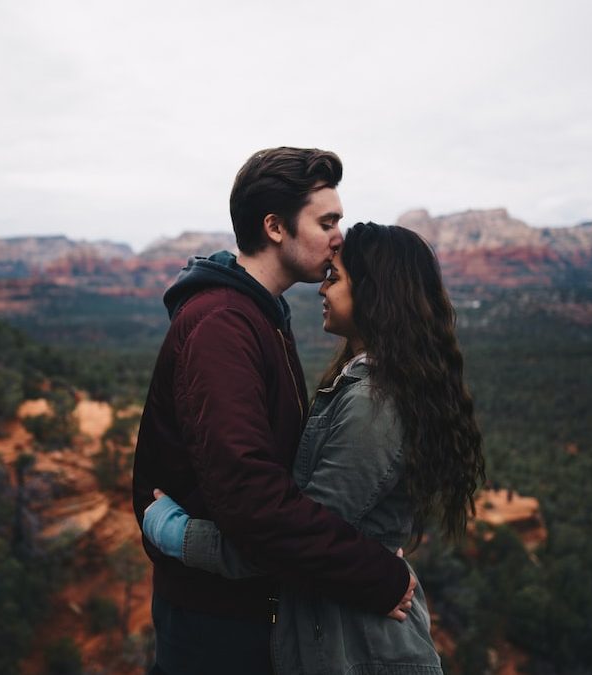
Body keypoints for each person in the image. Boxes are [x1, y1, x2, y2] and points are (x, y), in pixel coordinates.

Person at [144, 222, 485, 674]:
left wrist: (179, 535)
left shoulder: (371, 406)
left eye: (335, 278)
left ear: (374, 294)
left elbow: (295, 542)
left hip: (362, 652)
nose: (322, 289)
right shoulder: (361, 386)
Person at [132, 150, 416, 675]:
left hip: (249, 609)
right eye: (326, 221)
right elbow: (251, 499)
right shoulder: (222, 324)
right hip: (217, 627)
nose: (339, 236)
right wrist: (375, 574)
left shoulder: (260, 316)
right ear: (275, 227)